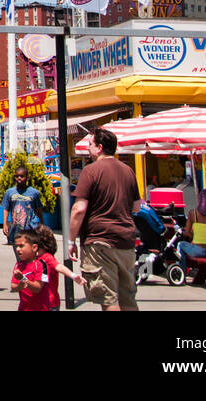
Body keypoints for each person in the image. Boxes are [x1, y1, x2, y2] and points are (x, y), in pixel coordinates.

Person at [68, 127, 140, 311]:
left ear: (99, 147)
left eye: (90, 145)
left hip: (99, 241)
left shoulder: (91, 171)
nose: (88, 149)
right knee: (128, 298)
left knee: (109, 298)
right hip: (125, 241)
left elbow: (79, 209)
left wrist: (71, 240)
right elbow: (136, 207)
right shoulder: (128, 171)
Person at [34, 225, 84, 310]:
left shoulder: (47, 258)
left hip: (49, 303)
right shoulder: (33, 258)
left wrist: (73, 275)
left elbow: (59, 266)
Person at [1, 164, 42, 245]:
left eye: (22, 176)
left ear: (27, 177)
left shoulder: (34, 192)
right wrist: (5, 224)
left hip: (31, 228)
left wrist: (42, 224)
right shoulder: (10, 192)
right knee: (18, 252)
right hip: (15, 228)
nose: (19, 178)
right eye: (17, 176)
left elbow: (38, 209)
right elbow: (6, 209)